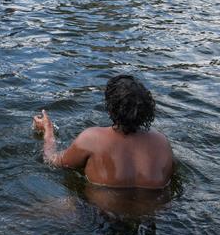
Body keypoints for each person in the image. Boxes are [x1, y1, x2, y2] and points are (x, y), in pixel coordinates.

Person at [32, 75, 174, 191]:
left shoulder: (92, 139)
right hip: (153, 220)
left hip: (100, 217)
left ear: (110, 107)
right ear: (147, 109)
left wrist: (48, 131)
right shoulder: (162, 143)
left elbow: (52, 160)